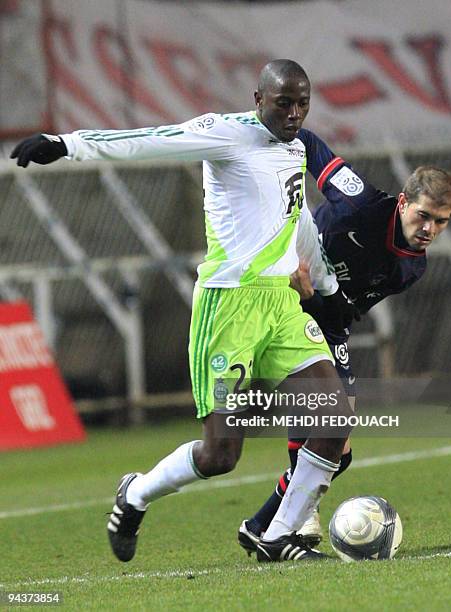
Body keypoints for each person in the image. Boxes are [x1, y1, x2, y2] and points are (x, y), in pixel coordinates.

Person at [11, 59, 358, 563]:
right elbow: (152, 139)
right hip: (228, 309)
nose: (294, 113)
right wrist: (67, 144)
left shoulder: (297, 149)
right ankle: (136, 493)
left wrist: (326, 286)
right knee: (221, 455)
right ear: (258, 97)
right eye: (284, 102)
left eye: (303, 103)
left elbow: (296, 216)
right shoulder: (224, 133)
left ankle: (278, 536)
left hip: (281, 305)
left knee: (334, 414)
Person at [238, 130, 451, 554]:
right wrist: (271, 135)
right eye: (424, 216)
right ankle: (285, 524)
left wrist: (330, 303)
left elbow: (346, 309)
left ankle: (266, 522)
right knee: (328, 427)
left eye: (442, 221)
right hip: (286, 299)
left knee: (339, 451)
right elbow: (308, 144)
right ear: (402, 202)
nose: (430, 228)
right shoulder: (361, 203)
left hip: (329, 319)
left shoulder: (411, 269)